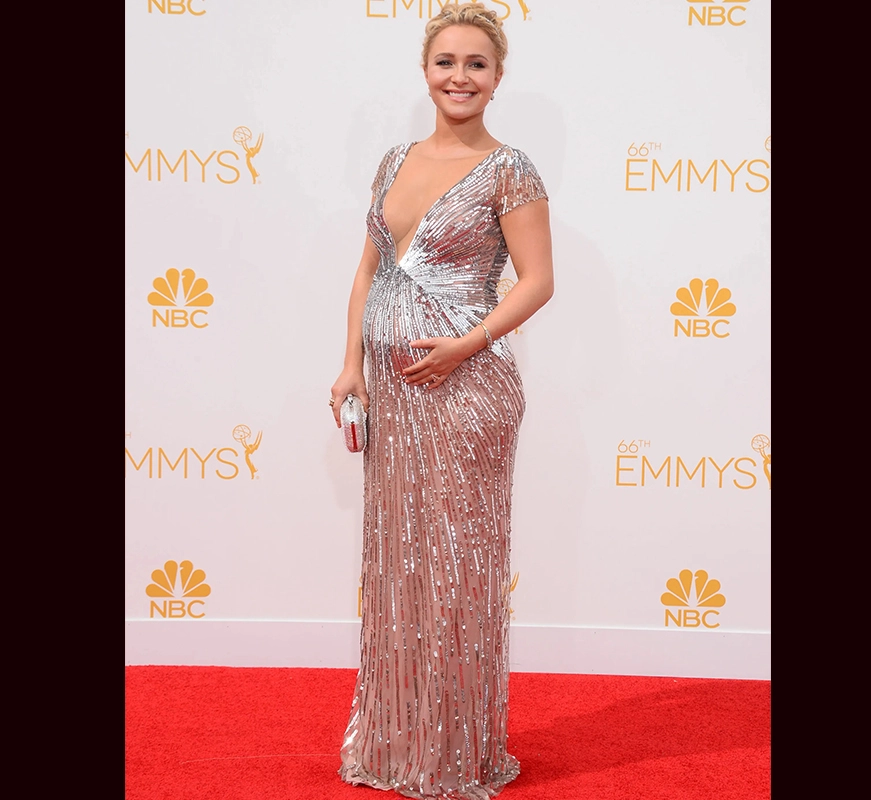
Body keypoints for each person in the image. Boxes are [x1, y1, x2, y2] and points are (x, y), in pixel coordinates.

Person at [329, 4, 553, 797]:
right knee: (401, 564)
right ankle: (398, 746)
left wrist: (466, 344)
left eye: (476, 64)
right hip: (392, 393)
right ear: (426, 71)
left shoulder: (510, 169)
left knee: (457, 568)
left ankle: (456, 753)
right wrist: (351, 364)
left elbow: (538, 282)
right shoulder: (393, 160)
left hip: (468, 389)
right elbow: (371, 269)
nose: (460, 77)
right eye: (447, 62)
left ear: (498, 77)